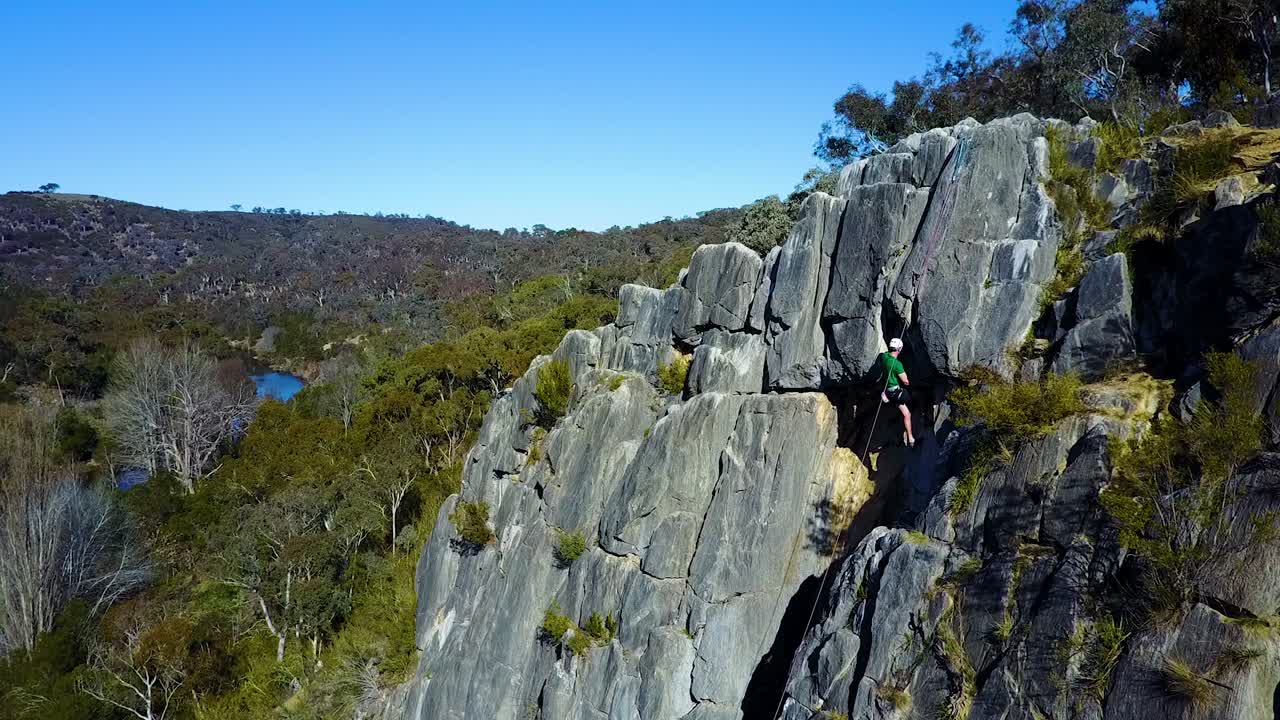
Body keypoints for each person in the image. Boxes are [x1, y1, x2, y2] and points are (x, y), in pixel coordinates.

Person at [880, 337, 915, 447]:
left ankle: (887, 397)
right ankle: (910, 438)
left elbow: (885, 354)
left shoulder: (884, 357)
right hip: (894, 392)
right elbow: (905, 381)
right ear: (899, 349)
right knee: (907, 413)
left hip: (887, 389)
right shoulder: (897, 364)